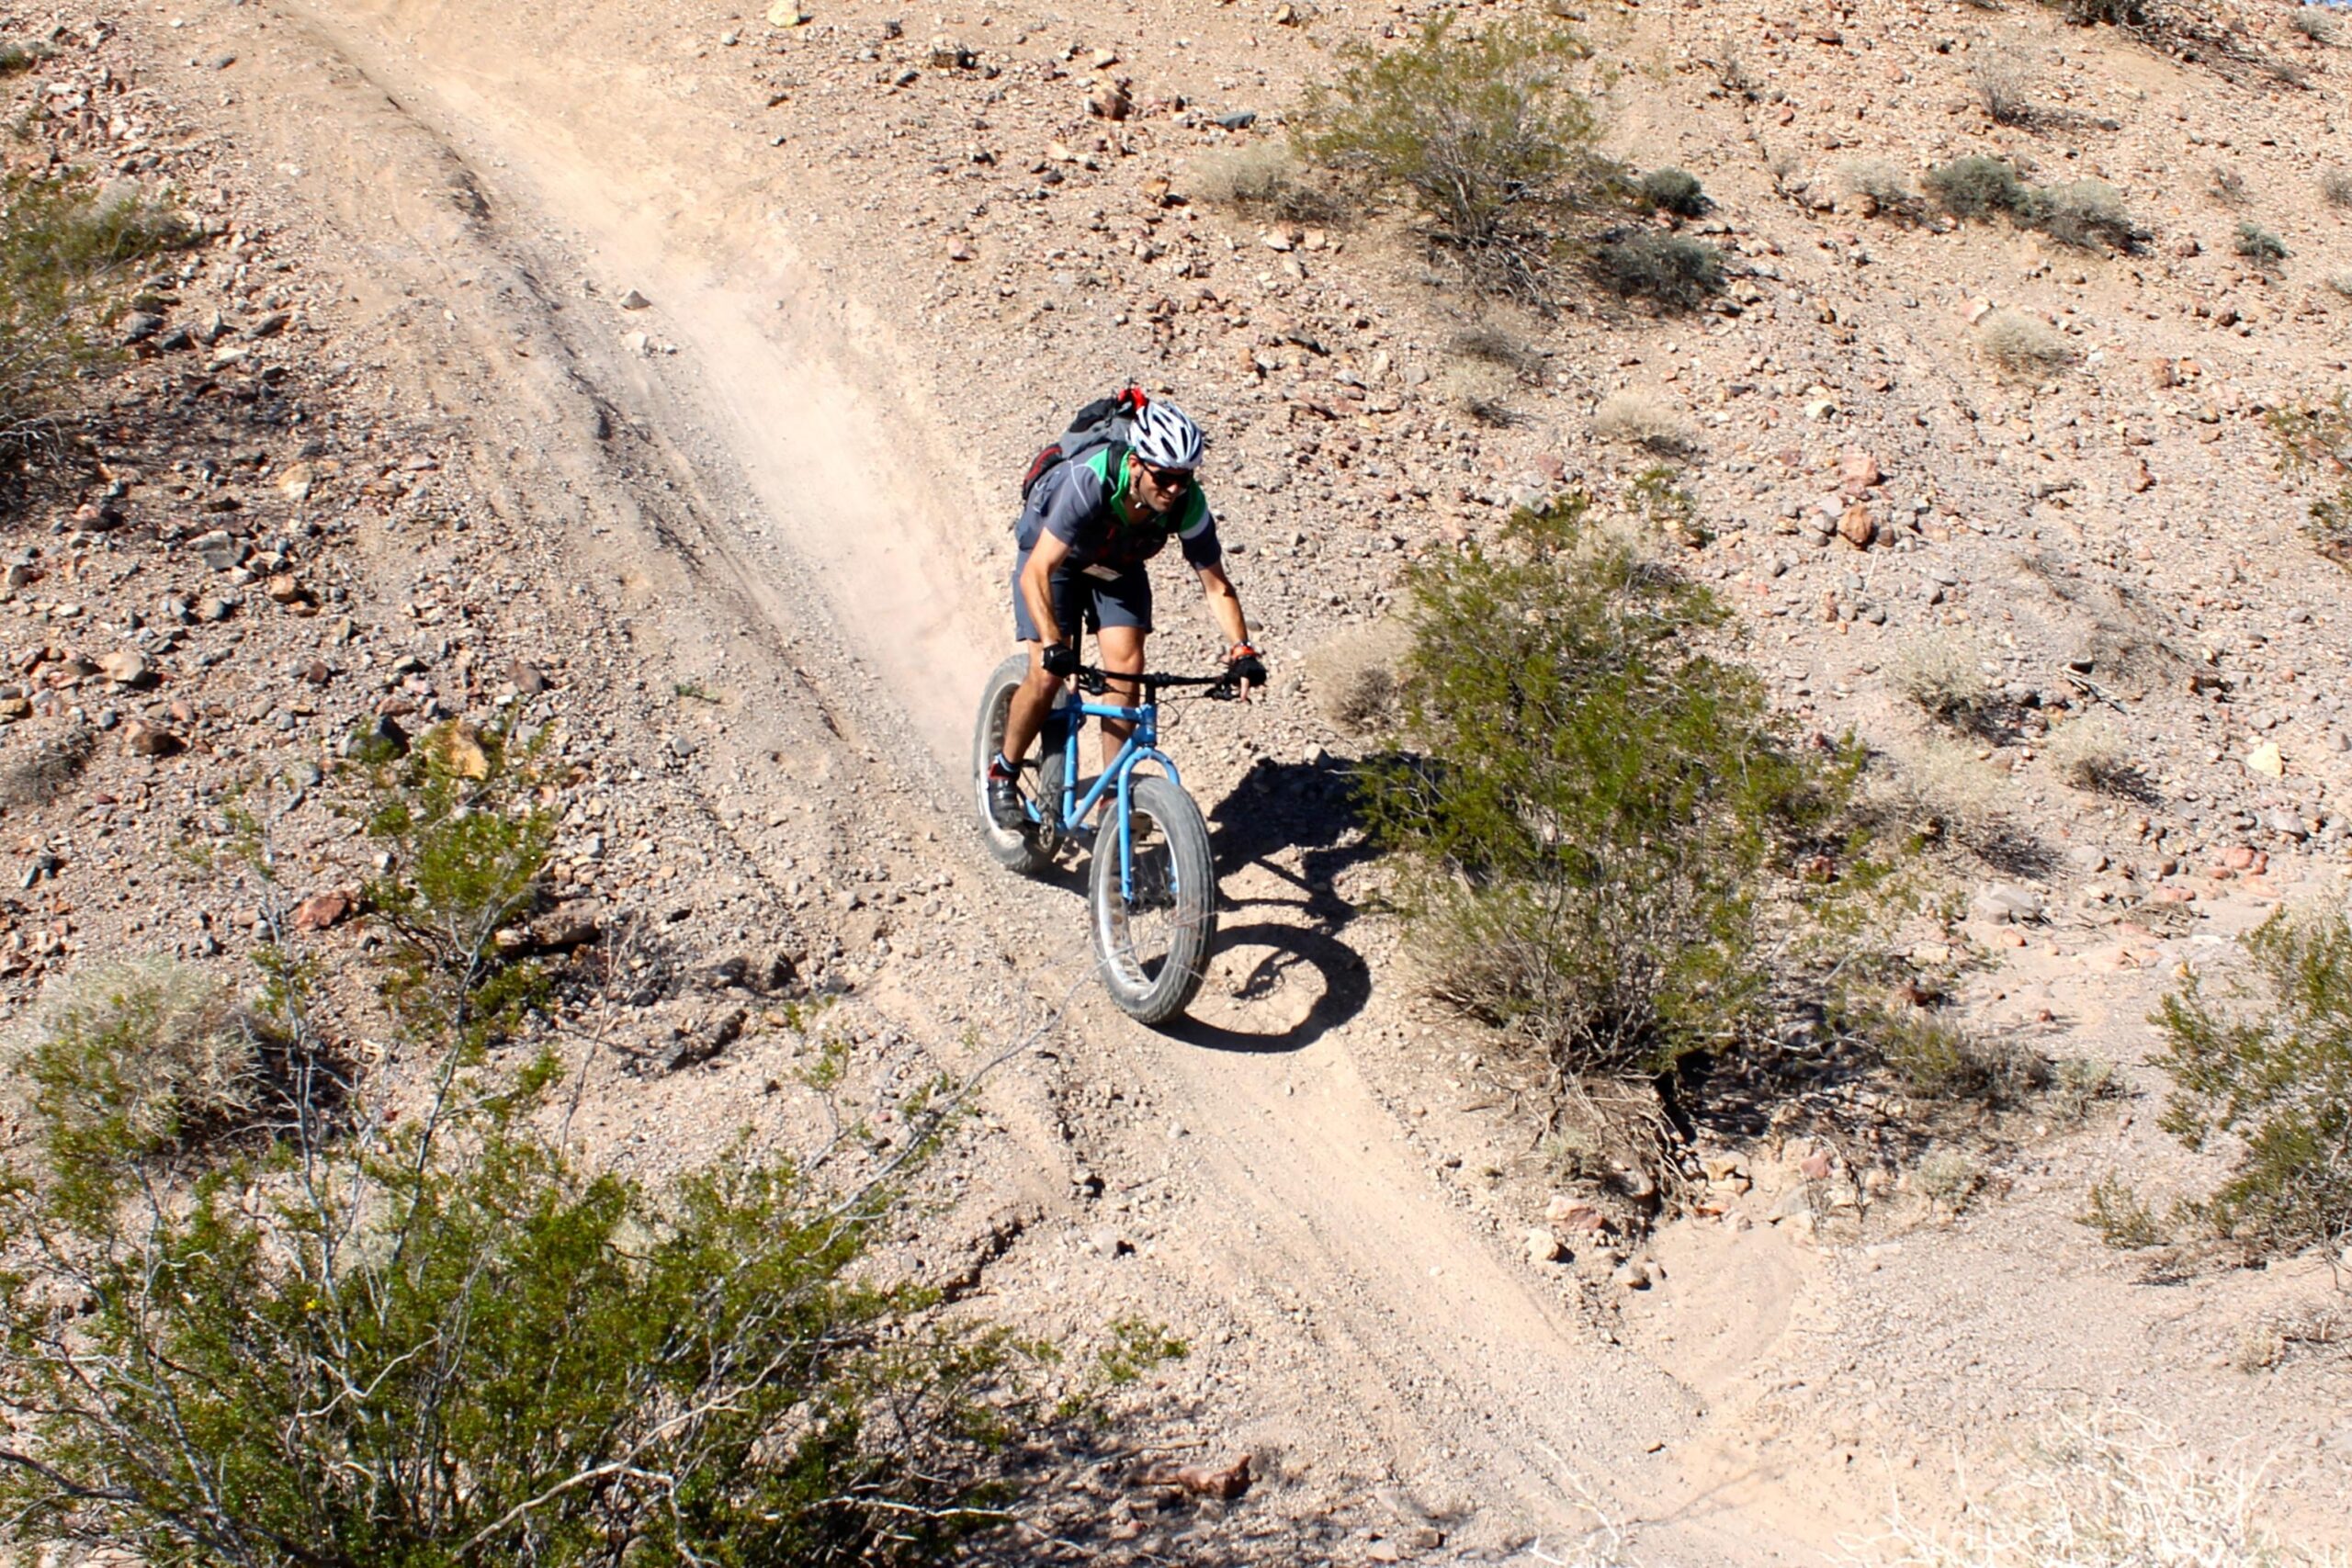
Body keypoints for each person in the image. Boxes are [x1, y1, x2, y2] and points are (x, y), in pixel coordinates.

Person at [987, 396, 1264, 829]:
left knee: (1128, 668)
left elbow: (1217, 586)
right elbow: (1037, 570)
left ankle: (1111, 799)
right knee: (1046, 673)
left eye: (1184, 478)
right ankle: (1002, 771)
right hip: (1055, 562)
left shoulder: (1188, 503)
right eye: (1165, 477)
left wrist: (1241, 649)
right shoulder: (1088, 480)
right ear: (1136, 464)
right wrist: (1056, 644)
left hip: (1118, 564)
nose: (1174, 489)